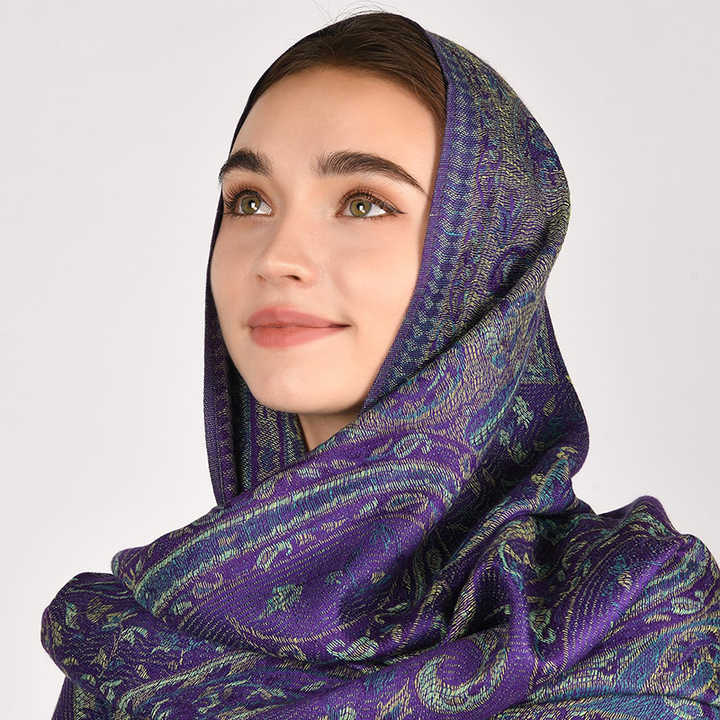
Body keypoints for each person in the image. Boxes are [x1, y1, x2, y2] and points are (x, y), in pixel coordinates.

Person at [41, 10, 720, 720]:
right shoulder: (140, 652)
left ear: (486, 259)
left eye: (363, 204)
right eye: (250, 201)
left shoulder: (632, 619)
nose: (276, 257)